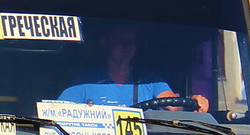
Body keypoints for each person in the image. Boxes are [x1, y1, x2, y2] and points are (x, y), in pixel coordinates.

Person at [60, 25, 209, 112]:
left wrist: (194, 101)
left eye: (131, 41)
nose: (127, 45)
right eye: (121, 41)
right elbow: (58, 114)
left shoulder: (151, 81)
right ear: (105, 44)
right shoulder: (84, 84)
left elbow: (172, 104)